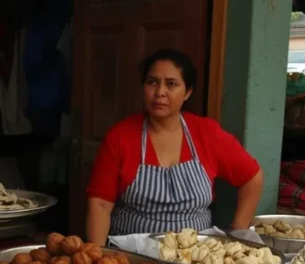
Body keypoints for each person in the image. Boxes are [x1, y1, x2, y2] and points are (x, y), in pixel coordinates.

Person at [85, 49, 264, 243]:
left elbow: (252, 177)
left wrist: (238, 233)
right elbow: (100, 204)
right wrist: (98, 256)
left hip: (195, 255)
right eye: (152, 82)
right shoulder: (120, 137)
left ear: (187, 92)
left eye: (171, 84)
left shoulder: (207, 133)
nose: (160, 92)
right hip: (131, 258)